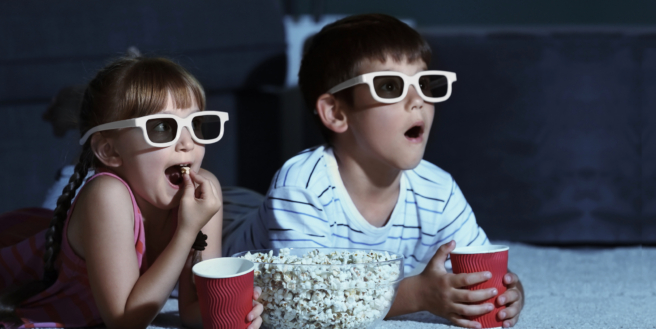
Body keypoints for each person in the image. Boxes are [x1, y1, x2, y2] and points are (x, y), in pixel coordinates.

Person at [226, 14, 524, 328]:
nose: (417, 100)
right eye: (390, 87)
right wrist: (416, 295)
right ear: (337, 113)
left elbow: (483, 270)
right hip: (220, 222)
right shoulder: (301, 187)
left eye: (423, 83)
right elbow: (307, 301)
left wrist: (506, 293)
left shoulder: (439, 192)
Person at [0, 57, 263, 329]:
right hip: (27, 269)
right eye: (162, 127)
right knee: (71, 185)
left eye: (195, 124)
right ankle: (74, 137)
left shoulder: (203, 192)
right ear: (110, 151)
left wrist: (238, 311)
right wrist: (187, 231)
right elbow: (125, 322)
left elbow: (192, 310)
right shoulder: (106, 195)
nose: (188, 143)